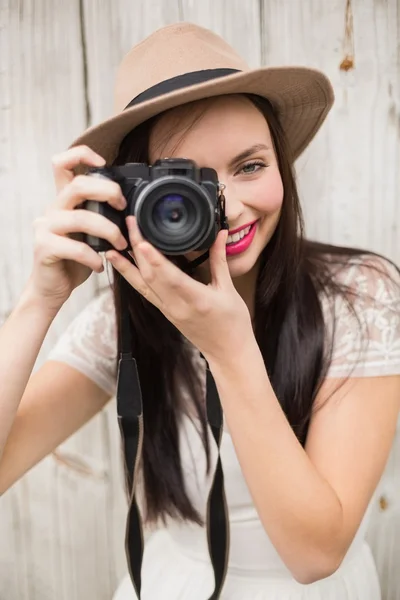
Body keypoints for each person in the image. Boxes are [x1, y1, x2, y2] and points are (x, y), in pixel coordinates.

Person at [0, 21, 399, 600]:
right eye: (186, 182)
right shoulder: (130, 317)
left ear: (283, 166)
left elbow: (315, 555)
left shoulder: (359, 299)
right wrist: (39, 302)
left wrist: (229, 347)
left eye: (250, 166)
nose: (228, 207)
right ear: (128, 196)